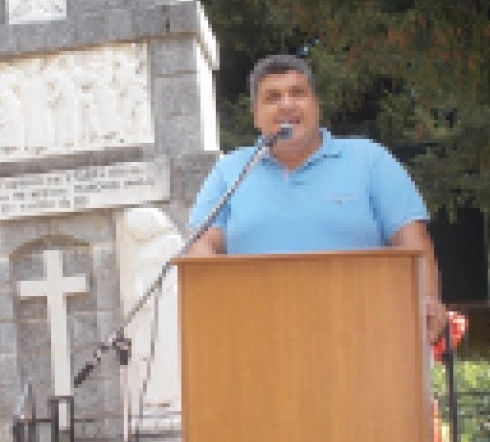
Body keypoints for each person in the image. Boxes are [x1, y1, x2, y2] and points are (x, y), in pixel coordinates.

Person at [187, 53, 448, 343]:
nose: (287, 105)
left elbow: (412, 239)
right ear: (256, 115)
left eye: (298, 93)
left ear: (316, 105)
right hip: (256, 338)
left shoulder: (369, 159)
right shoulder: (231, 171)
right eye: (273, 97)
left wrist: (428, 300)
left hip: (364, 339)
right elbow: (202, 245)